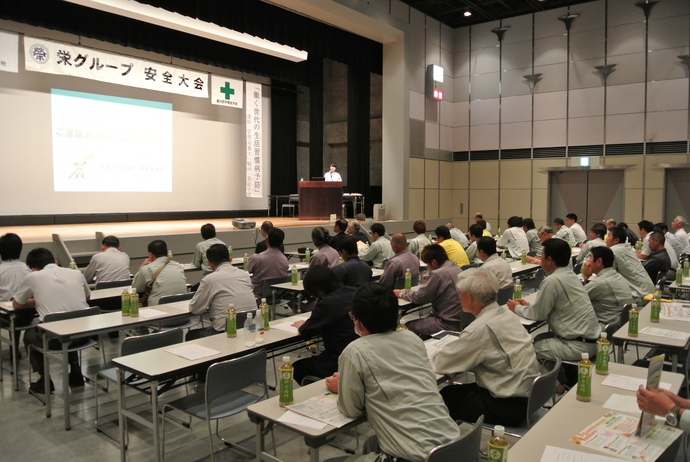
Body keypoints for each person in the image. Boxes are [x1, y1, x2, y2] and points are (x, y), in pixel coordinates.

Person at [324, 283, 460, 462]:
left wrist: (342, 387)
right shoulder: (411, 338)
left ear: (357, 321)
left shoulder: (355, 351)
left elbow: (351, 410)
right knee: (373, 444)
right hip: (454, 445)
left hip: (417, 457)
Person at [428, 269, 540, 426]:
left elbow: (442, 364)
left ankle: (448, 444)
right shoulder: (507, 314)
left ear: (468, 298)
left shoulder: (480, 329)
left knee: (445, 397)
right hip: (531, 394)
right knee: (453, 392)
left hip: (508, 406)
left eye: (460, 294)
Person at [508, 239, 601, 361]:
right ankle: (562, 376)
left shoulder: (552, 281)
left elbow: (539, 314)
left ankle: (546, 379)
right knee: (540, 339)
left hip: (577, 345)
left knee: (525, 349)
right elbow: (553, 305)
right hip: (592, 341)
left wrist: (517, 308)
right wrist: (529, 305)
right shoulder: (571, 275)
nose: (540, 259)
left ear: (549, 260)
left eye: (542, 256)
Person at [13, 248, 91, 394]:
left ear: (33, 268)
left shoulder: (33, 277)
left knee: (30, 335)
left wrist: (37, 300)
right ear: (55, 261)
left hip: (55, 340)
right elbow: (87, 298)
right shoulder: (76, 273)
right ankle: (76, 372)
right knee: (69, 323)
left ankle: (45, 380)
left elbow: (17, 304)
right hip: (85, 335)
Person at [291, 266, 358, 385]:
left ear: (319, 291)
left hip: (338, 358)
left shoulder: (326, 303)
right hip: (358, 354)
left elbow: (306, 332)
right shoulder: (354, 291)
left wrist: (301, 325)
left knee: (297, 367)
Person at [187, 244, 256, 340]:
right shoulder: (244, 275)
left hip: (225, 332)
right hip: (251, 328)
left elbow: (195, 309)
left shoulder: (210, 280)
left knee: (191, 335)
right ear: (230, 258)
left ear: (210, 264)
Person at [394, 244, 466, 335]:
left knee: (407, 326)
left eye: (428, 265)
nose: (428, 268)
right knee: (426, 320)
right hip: (460, 320)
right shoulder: (457, 269)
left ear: (434, 262)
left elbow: (420, 297)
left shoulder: (438, 274)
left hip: (447, 323)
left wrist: (401, 293)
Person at [581, 246, 633, 326]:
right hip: (619, 322)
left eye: (590, 258)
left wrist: (585, 277)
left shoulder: (600, 283)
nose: (588, 262)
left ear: (599, 261)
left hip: (606, 326)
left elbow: (575, 298)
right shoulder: (616, 275)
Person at [0, 233, 32, 356]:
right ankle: (16, 347)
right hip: (28, 315)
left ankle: (14, 347)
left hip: (5, 317)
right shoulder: (28, 269)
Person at [131, 240, 187, 306]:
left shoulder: (147, 268)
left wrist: (141, 268)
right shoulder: (178, 265)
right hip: (182, 305)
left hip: (159, 308)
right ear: (167, 253)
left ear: (150, 255)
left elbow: (135, 288)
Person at [606, 226, 655, 300]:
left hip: (639, 295)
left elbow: (609, 275)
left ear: (616, 240)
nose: (606, 238)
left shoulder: (613, 251)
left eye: (609, 236)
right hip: (649, 292)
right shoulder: (627, 248)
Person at [248, 228, 289, 299]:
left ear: (267, 240)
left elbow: (248, 270)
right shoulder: (284, 259)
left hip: (258, 295)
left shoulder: (257, 258)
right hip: (278, 294)